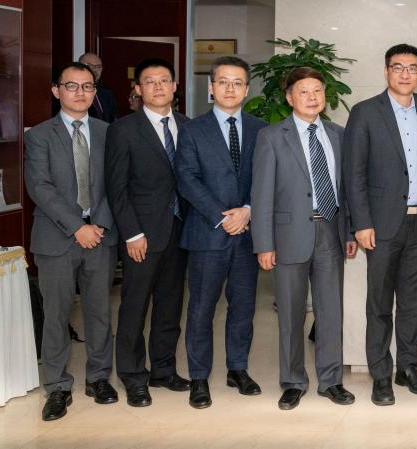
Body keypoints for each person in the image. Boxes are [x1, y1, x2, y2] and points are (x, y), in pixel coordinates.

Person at [344, 43, 417, 406]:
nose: (405, 74)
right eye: (398, 67)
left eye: (412, 68)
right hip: (381, 225)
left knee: (413, 303)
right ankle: (380, 375)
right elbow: (353, 174)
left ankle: (408, 368)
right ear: (386, 71)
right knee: (380, 304)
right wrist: (361, 222)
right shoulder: (365, 112)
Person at [251, 67, 357, 410]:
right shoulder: (271, 137)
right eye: (304, 92)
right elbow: (262, 193)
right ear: (289, 97)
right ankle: (293, 381)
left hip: (330, 230)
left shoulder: (339, 134)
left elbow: (347, 189)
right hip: (287, 236)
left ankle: (331, 381)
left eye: (317, 91)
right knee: (292, 314)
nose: (312, 97)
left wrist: (351, 230)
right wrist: (264, 244)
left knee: (330, 312)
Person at [26, 62, 118, 421]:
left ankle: (98, 378)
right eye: (72, 86)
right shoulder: (39, 136)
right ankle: (57, 387)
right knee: (57, 315)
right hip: (56, 238)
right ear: (56, 91)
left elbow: (116, 185)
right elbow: (40, 187)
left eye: (88, 86)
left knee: (99, 313)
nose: (80, 93)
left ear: (95, 92)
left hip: (101, 236)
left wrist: (99, 225)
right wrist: (76, 226)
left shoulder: (109, 132)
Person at [174, 56, 267, 409]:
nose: (231, 88)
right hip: (207, 234)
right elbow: (187, 179)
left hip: (247, 234)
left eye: (238, 82)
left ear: (247, 89)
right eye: (223, 82)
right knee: (201, 309)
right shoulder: (192, 130)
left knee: (243, 308)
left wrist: (247, 211)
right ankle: (199, 377)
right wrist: (221, 216)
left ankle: (237, 369)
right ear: (211, 88)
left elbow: (266, 180)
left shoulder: (262, 129)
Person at [104, 58, 191, 407]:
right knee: (134, 308)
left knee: (170, 306)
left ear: (174, 87)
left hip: (181, 231)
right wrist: (131, 233)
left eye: (164, 80)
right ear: (138, 90)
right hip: (141, 234)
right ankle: (133, 376)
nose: (158, 87)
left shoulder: (188, 126)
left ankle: (163, 370)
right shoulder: (123, 129)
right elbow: (117, 187)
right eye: (149, 81)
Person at [78, 52, 118, 122]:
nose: (95, 70)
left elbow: (114, 120)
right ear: (79, 67)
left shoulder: (107, 94)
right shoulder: (74, 92)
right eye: (90, 66)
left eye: (99, 66)